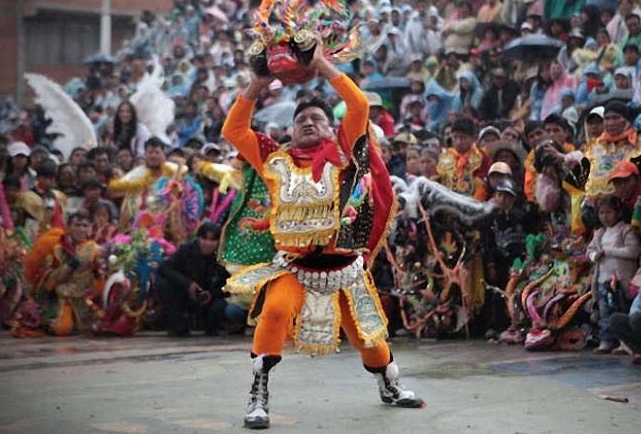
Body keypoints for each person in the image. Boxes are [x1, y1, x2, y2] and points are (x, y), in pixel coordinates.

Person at [222, 38, 423, 429]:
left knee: (369, 338)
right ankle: (258, 394)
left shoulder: (345, 153)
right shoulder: (273, 158)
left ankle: (389, 384)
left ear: (332, 128)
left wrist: (323, 65)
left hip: (344, 267)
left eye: (317, 118)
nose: (309, 122)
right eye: (301, 120)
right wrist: (257, 83)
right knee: (275, 311)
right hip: (294, 266)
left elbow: (360, 106)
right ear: (290, 131)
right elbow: (234, 129)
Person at [23, 211, 103, 335]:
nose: (81, 229)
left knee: (92, 326)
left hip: (85, 297)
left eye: (85, 225)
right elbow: (47, 279)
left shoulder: (94, 249)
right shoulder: (56, 247)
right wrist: (68, 267)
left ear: (90, 228)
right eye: (77, 225)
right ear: (68, 227)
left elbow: (100, 275)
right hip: (60, 296)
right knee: (62, 328)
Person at [586, 195, 640, 354]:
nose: (605, 216)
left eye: (608, 212)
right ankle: (606, 341)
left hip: (622, 281)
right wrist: (594, 256)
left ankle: (625, 343)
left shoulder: (625, 230)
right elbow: (589, 251)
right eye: (601, 213)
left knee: (623, 310)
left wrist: (607, 251)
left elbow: (633, 251)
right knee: (605, 312)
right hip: (604, 280)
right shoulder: (600, 233)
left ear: (618, 212)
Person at [157, 222, 230, 337]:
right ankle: (179, 323)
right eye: (204, 239)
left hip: (210, 301)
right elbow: (164, 268)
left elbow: (229, 286)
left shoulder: (222, 258)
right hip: (185, 297)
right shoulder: (186, 251)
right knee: (163, 281)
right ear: (198, 238)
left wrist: (211, 293)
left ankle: (211, 326)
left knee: (220, 306)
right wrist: (188, 284)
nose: (208, 243)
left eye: (212, 240)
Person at [480, 179, 525, 339]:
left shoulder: (520, 216)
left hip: (515, 261)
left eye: (507, 196)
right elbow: (486, 242)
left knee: (514, 291)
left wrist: (523, 262)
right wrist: (490, 264)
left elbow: (525, 240)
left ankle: (513, 323)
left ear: (513, 198)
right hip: (497, 261)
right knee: (495, 292)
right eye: (500, 195)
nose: (503, 199)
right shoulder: (490, 217)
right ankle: (493, 325)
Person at [436, 118, 492, 201]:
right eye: (455, 137)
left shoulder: (481, 157)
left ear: (474, 138)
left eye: (463, 138)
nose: (458, 142)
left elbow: (482, 188)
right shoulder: (445, 156)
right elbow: (436, 181)